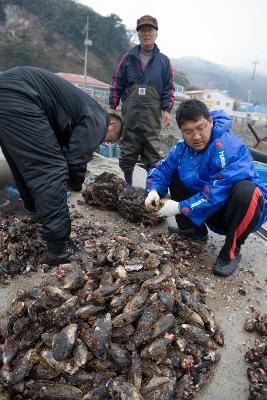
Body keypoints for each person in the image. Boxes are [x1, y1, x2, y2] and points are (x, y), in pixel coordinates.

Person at [0, 66, 123, 265]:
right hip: (19, 93)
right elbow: (76, 156)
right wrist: (75, 184)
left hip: (8, 89)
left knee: (24, 162)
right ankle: (59, 248)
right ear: (111, 126)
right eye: (109, 140)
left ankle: (36, 211)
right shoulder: (100, 119)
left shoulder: (82, 108)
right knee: (51, 168)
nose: (103, 143)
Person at [145, 99, 267, 277]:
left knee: (246, 191)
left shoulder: (229, 148)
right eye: (188, 131)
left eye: (200, 128)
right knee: (175, 172)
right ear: (181, 131)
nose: (196, 137)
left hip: (238, 214)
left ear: (210, 122)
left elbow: (218, 193)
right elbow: (162, 168)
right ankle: (193, 230)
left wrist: (179, 207)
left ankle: (230, 253)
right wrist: (154, 190)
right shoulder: (182, 147)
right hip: (209, 209)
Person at [109, 15, 174, 186]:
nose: (146, 34)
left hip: (152, 118)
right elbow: (117, 82)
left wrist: (166, 109)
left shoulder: (164, 61)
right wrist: (112, 107)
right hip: (130, 116)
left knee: (152, 154)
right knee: (127, 152)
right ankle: (128, 186)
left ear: (156, 34)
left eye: (150, 30)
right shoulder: (128, 58)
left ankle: (151, 189)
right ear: (138, 34)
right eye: (143, 30)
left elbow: (169, 87)